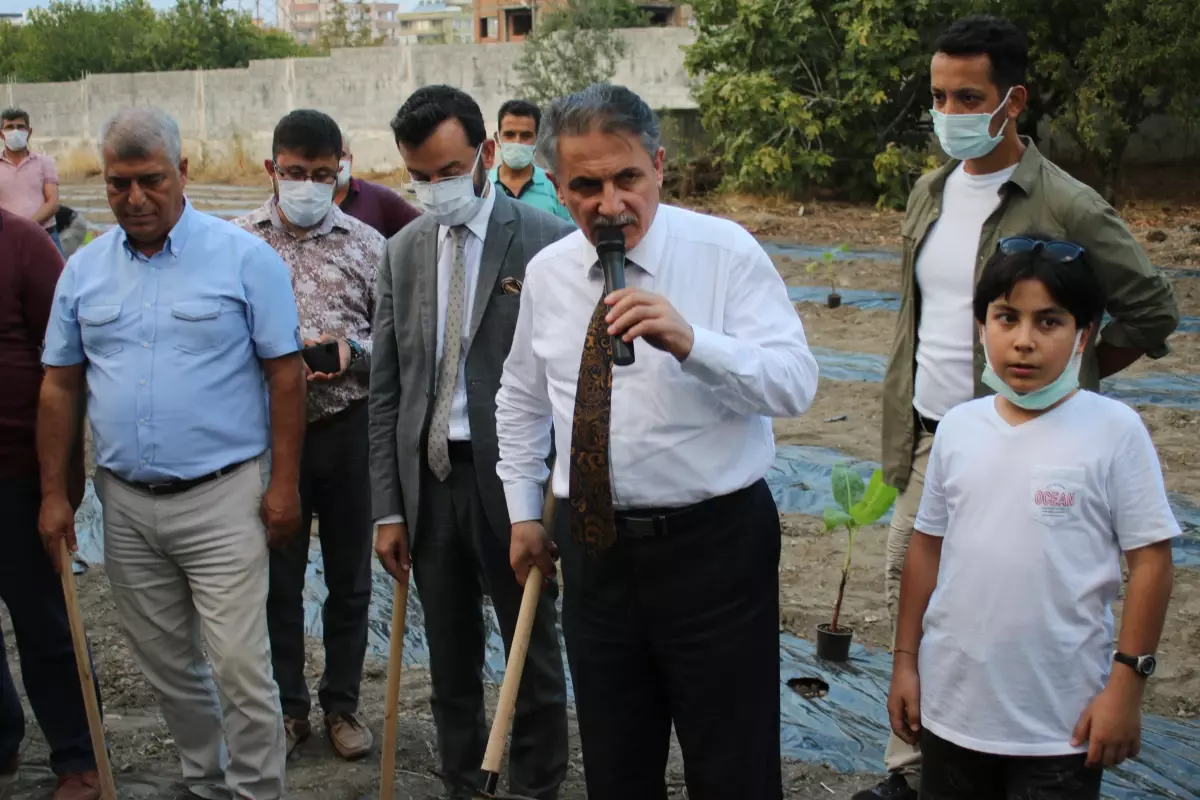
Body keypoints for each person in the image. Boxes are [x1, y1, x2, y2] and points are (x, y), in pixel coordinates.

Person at [869, 17, 1180, 799]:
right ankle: (919, 770)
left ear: (1014, 100)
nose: (950, 113)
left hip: (1028, 436)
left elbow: (1152, 309)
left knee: (1026, 603)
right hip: (938, 438)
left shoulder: (1065, 204)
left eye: (968, 97)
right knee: (923, 593)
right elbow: (924, 313)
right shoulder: (930, 191)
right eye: (939, 97)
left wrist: (1073, 380)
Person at [496, 83, 820, 800]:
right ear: (556, 184)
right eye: (585, 186)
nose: (610, 206)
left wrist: (692, 341)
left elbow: (796, 383)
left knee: (732, 763)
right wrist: (524, 510)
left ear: (660, 166)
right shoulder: (550, 275)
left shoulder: (724, 253)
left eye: (626, 179)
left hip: (714, 551)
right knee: (616, 762)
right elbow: (520, 398)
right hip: (596, 552)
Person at [37, 106, 306, 800]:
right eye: (118, 183)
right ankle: (205, 781)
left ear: (182, 172)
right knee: (168, 665)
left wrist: (284, 488)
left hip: (224, 499)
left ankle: (255, 791)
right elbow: (61, 388)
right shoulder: (84, 272)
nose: (134, 199)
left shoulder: (246, 259)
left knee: (241, 665)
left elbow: (286, 375)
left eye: (150, 180)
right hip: (124, 503)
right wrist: (55, 494)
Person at [888, 238, 1178, 800]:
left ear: (1083, 334)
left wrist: (1125, 685)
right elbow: (927, 548)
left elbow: (1151, 565)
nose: (1023, 341)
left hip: (1059, 729)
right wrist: (905, 663)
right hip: (952, 712)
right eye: (1006, 317)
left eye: (1049, 321)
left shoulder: (1114, 431)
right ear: (980, 326)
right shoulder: (958, 429)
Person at [369, 85, 572, 800]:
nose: (434, 189)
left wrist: (548, 498)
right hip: (431, 485)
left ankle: (534, 785)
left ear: (486, 153)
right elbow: (387, 390)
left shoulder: (546, 241)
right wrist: (388, 509)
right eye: (418, 176)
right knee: (449, 660)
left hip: (513, 485)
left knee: (534, 656)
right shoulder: (402, 253)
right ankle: (464, 784)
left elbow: (568, 381)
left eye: (448, 172)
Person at [234, 109, 385, 761]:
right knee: (279, 576)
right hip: (270, 435)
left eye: (321, 174)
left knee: (351, 578)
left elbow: (397, 339)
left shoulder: (367, 245)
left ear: (341, 169)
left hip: (349, 429)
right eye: (295, 173)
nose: (306, 185)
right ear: (272, 168)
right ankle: (288, 706)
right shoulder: (237, 243)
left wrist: (352, 350)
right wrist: (276, 353)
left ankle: (342, 706)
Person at [0, 206, 100, 800]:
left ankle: (78, 755)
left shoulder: (22, 244)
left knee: (45, 621)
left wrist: (59, 480)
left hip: (16, 477)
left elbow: (67, 367)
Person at [488, 99, 573, 222]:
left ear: (538, 138)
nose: (517, 142)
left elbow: (570, 235)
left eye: (525, 135)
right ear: (497, 138)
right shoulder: (484, 186)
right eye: (509, 134)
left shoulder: (555, 187)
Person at [334, 131, 421, 238]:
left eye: (342, 155)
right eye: (329, 156)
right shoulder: (311, 203)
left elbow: (423, 228)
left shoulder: (378, 197)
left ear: (351, 160)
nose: (336, 163)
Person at [0, 108, 62, 253]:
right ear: (1, 134)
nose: (15, 132)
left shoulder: (45, 162)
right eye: (9, 127)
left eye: (20, 127)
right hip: (8, 240)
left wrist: (27, 227)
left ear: (29, 132)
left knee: (56, 275)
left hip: (44, 236)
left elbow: (52, 202)